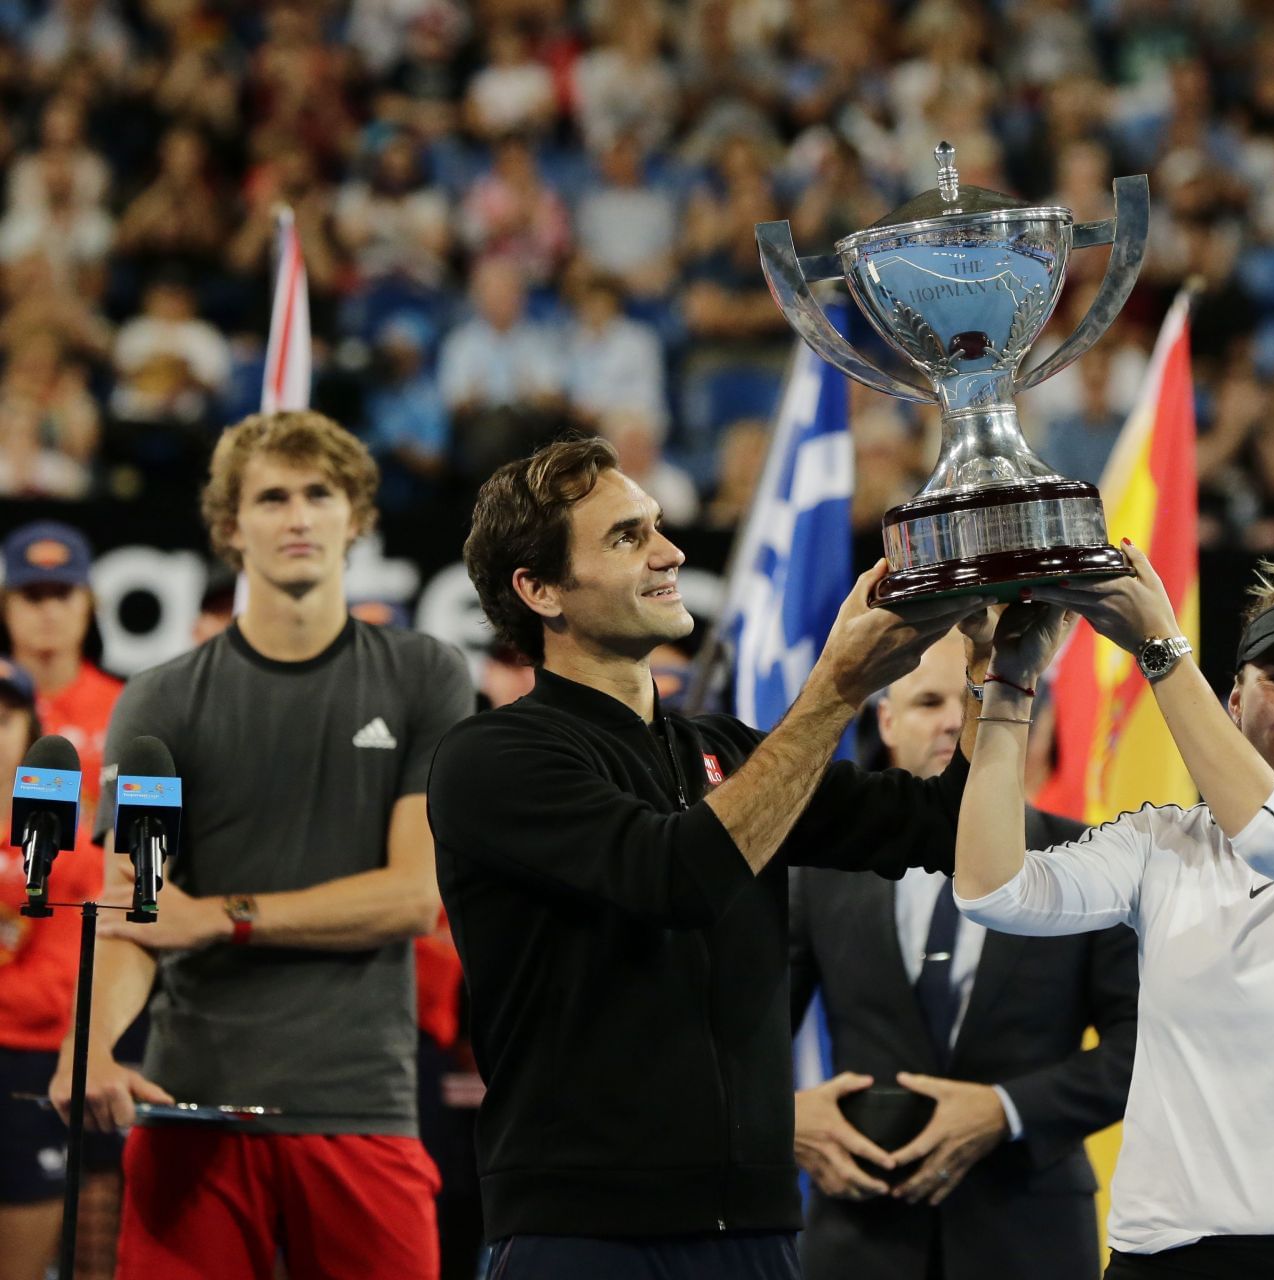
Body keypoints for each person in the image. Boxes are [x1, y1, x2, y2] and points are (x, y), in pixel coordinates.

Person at [427, 435, 989, 1279]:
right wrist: (835, 690)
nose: (670, 551)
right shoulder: (492, 759)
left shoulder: (723, 749)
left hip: (758, 1233)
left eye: (656, 525)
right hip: (581, 1238)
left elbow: (951, 826)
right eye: (626, 537)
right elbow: (676, 876)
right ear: (539, 590)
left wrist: (1002, 671)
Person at [49, 409, 475, 1280]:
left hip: (361, 1104)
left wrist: (216, 918)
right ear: (229, 526)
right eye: (271, 497)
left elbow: (410, 896)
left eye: (320, 494)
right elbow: (139, 909)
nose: (297, 516)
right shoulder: (160, 701)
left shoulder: (423, 674)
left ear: (355, 516)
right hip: (190, 1108)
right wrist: (87, 1046)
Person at [956, 548, 1274, 1278]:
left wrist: (1160, 649)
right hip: (1165, 1257)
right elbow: (993, 889)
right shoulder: (1162, 844)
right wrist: (1008, 686)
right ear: (1233, 702)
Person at [789, 631, 1138, 1280]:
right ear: (887, 721)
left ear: (1030, 714)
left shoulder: (1095, 862)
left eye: (979, 697)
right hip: (859, 1240)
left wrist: (1005, 1110)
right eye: (928, 702)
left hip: (1029, 1238)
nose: (956, 719)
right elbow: (736, 1032)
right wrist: (783, 1114)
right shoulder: (821, 867)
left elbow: (1145, 1047)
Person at [0, 658, 103, 1280]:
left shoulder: (69, 847)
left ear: (29, 732)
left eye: (4, 715)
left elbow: (53, 994)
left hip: (26, 1074)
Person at [0, 521, 120, 824]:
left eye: (63, 594)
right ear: (5, 606)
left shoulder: (123, 706)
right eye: (33, 595)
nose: (49, 611)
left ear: (89, 604)